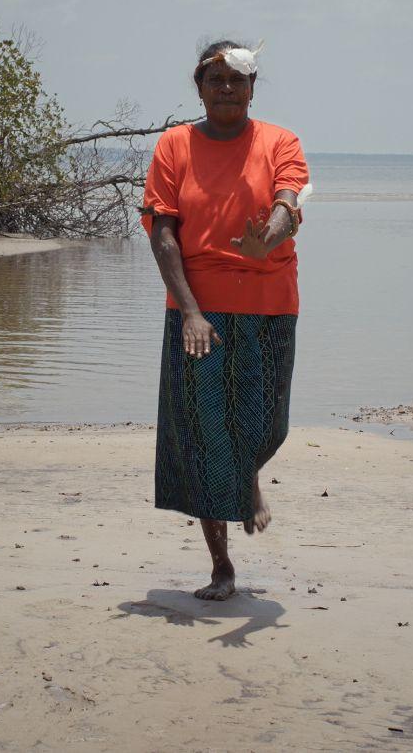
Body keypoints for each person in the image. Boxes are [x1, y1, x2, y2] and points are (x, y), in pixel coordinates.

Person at [141, 39, 309, 601]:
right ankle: (222, 567)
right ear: (199, 87)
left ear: (253, 87)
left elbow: (290, 198)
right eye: (216, 81)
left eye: (238, 81)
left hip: (271, 303)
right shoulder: (174, 145)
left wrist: (272, 236)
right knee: (205, 435)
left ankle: (248, 476)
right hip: (199, 310)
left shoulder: (280, 141)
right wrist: (190, 310)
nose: (227, 90)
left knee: (270, 426)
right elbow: (162, 231)